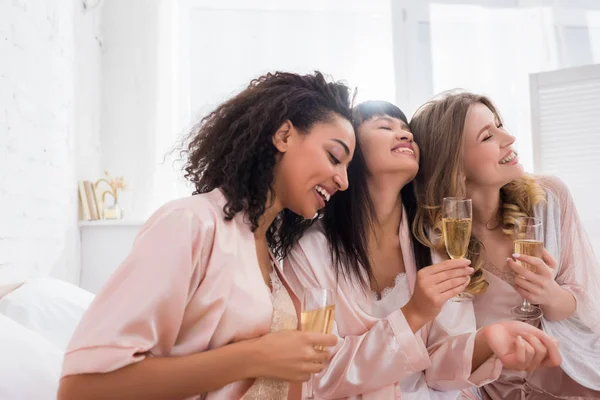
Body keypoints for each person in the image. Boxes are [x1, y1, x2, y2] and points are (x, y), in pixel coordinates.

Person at [57, 71, 356, 400]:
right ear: (284, 136)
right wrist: (255, 357)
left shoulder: (266, 249)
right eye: (334, 157)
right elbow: (81, 388)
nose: (342, 180)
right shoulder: (191, 223)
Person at [281, 100, 561, 399]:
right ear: (350, 151)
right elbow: (320, 375)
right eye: (386, 127)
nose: (405, 135)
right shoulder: (308, 252)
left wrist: (488, 340)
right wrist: (414, 314)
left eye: (406, 130)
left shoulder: (434, 241)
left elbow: (439, 370)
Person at [410, 90, 600, 399]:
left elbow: (587, 304)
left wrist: (550, 294)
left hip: (572, 372)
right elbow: (445, 350)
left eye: (500, 125)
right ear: (453, 164)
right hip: (498, 390)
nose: (509, 138)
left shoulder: (548, 198)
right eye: (488, 136)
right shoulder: (437, 240)